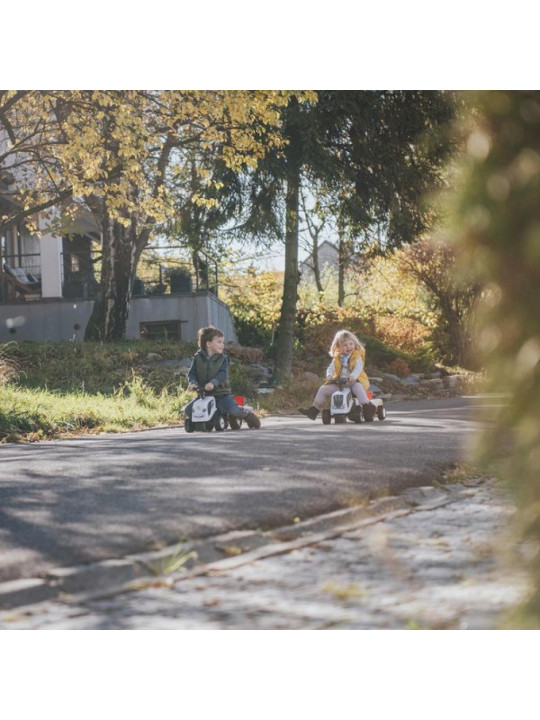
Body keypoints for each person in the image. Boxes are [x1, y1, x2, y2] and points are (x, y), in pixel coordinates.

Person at [186, 326, 261, 429]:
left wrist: (213, 382)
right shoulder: (197, 358)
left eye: (223, 342)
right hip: (205, 394)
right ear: (208, 344)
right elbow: (192, 372)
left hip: (221, 394)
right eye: (219, 342)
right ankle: (205, 423)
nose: (222, 345)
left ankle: (246, 414)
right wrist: (193, 382)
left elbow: (223, 374)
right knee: (189, 410)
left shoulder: (223, 359)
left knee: (232, 410)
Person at [299, 329, 376, 421]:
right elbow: (331, 368)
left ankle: (367, 407)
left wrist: (353, 376)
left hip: (354, 381)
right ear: (338, 347)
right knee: (323, 389)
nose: (348, 347)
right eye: (345, 345)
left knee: (358, 388)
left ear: (355, 344)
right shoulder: (337, 358)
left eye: (351, 344)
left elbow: (358, 368)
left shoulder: (357, 356)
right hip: (340, 383)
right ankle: (314, 410)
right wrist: (329, 375)